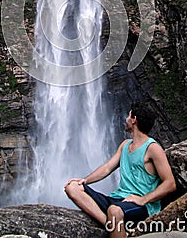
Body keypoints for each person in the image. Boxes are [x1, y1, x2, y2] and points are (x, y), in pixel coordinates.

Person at [64, 102, 176, 238]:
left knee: (114, 211)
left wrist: (143, 200)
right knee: (73, 187)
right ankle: (114, 227)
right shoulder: (125, 145)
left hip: (140, 205)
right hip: (117, 199)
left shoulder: (153, 148)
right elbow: (106, 168)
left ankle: (115, 225)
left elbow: (170, 183)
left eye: (128, 116)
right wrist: (85, 180)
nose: (126, 119)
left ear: (134, 120)